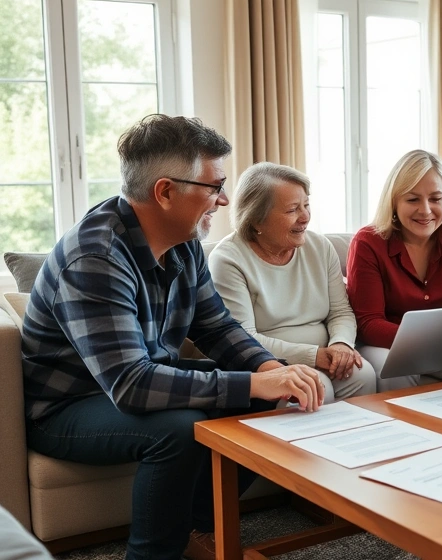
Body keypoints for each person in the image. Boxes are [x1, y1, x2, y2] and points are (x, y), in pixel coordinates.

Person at [20, 115, 325, 560]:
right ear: (165, 191)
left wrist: (271, 371)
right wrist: (255, 381)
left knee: (262, 393)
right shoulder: (95, 258)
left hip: (140, 378)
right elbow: (130, 384)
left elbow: (216, 326)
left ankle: (195, 528)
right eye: (214, 187)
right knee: (177, 430)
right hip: (70, 407)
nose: (223, 200)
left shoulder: (185, 241)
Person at [210, 162, 376, 402]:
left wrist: (341, 345)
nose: (305, 217)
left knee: (363, 375)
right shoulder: (228, 259)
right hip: (268, 360)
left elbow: (340, 311)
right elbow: (242, 337)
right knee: (317, 390)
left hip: (326, 353)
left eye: (306, 205)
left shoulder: (319, 247)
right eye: (292, 210)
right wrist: (313, 356)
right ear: (257, 219)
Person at [346, 149, 442, 391]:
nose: (426, 210)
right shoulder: (368, 242)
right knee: (396, 364)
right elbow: (368, 322)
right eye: (412, 199)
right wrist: (426, 342)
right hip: (385, 344)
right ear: (394, 202)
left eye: (436, 199)